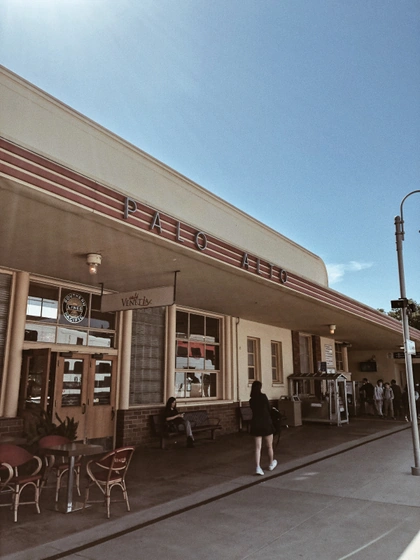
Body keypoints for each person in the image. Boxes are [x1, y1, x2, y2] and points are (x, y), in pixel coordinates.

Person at [249, 380, 277, 476]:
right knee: (269, 446)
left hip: (256, 424)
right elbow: (269, 408)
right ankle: (271, 463)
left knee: (257, 448)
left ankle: (258, 467)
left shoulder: (251, 400)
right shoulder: (263, 397)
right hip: (266, 423)